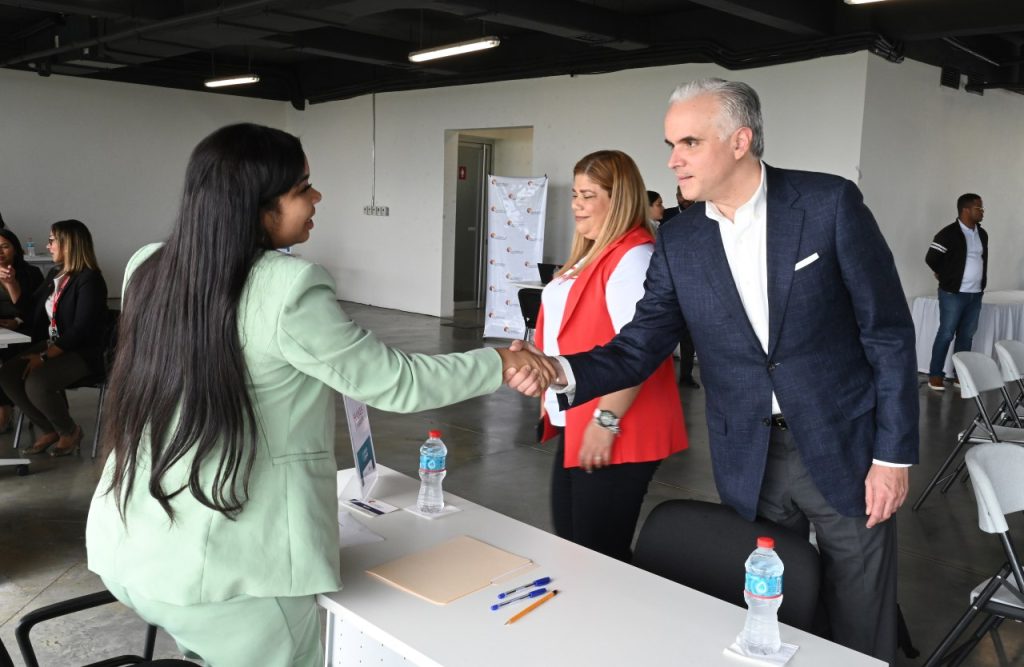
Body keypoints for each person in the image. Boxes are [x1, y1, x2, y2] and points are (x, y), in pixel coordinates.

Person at [85, 123, 556, 667]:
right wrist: (500, 360)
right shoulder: (288, 288)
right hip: (235, 578)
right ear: (258, 205)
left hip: (131, 550)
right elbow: (394, 381)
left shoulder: (148, 265)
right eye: (302, 187)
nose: (317, 197)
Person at [507, 78, 918, 665]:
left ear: (740, 141)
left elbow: (888, 333)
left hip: (846, 443)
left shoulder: (828, 205)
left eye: (689, 142)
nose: (672, 159)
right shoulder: (680, 239)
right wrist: (559, 371)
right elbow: (642, 342)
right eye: (671, 143)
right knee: (769, 601)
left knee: (861, 603)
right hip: (748, 453)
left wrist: (893, 456)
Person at [537, 152, 686, 562]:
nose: (576, 204)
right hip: (582, 414)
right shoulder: (594, 253)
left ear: (617, 199)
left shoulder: (634, 258)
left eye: (588, 195)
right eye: (575, 194)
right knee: (574, 542)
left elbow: (640, 350)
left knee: (597, 554)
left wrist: (606, 421)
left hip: (615, 423)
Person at [0, 219, 108, 456]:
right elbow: (31, 312)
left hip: (80, 351)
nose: (48, 246)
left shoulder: (90, 280)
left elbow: (81, 330)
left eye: (52, 241)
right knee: (7, 374)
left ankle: (69, 431)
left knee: (37, 382)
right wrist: (11, 284)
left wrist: (45, 357)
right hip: (53, 345)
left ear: (68, 244)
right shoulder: (55, 275)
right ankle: (49, 429)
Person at [924, 193, 988, 391]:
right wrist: (944, 275)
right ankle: (935, 375)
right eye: (979, 208)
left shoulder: (982, 234)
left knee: (966, 335)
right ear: (966, 210)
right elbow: (931, 258)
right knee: (946, 333)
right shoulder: (948, 233)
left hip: (975, 294)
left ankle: (961, 375)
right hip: (953, 294)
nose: (982, 212)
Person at [0, 228, 45, 431]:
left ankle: (5, 408)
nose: (0, 252)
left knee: (5, 354)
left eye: (5, 247)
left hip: (25, 329)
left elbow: (34, 310)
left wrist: (11, 284)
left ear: (16, 249)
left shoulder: (31, 273)